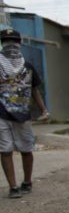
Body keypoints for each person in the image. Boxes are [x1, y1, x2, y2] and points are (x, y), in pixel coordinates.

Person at [0, 28, 49, 199]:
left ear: (19, 44)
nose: (10, 45)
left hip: (23, 114)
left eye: (14, 41)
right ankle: (13, 187)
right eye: (7, 41)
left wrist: (43, 109)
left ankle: (27, 182)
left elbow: (34, 90)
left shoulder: (27, 67)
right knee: (5, 150)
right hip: (2, 114)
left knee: (26, 149)